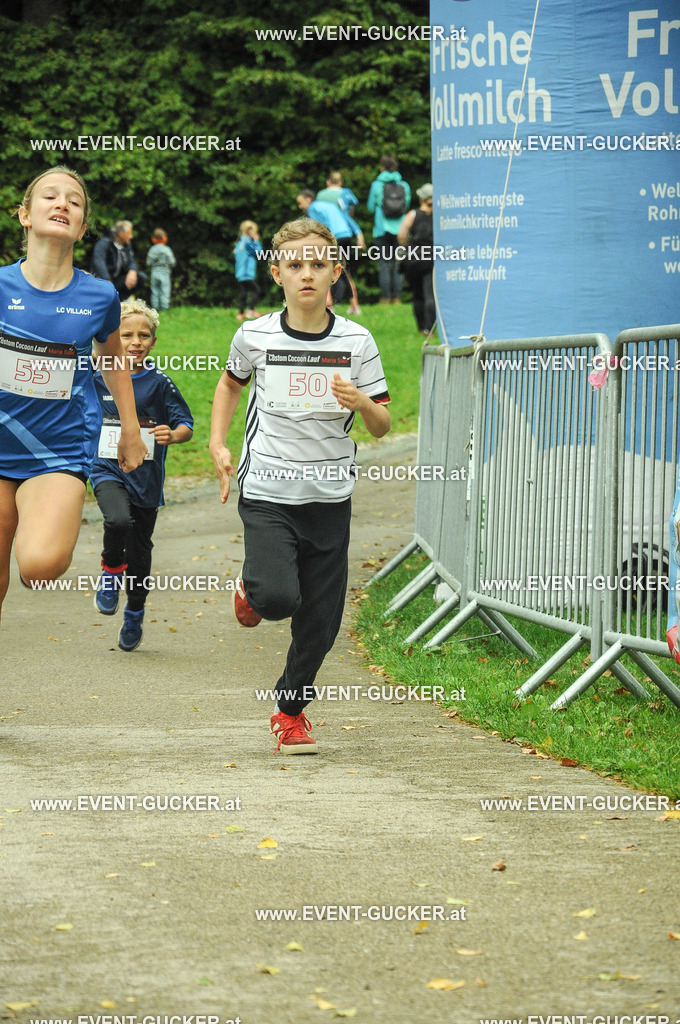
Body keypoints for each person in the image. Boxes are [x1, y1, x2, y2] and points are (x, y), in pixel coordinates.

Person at [209, 218, 391, 754]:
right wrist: (219, 445)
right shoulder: (255, 335)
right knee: (278, 597)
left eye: (317, 264)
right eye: (295, 265)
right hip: (267, 488)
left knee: (321, 622)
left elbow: (382, 423)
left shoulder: (358, 340)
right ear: (277, 273)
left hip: (330, 497)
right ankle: (253, 588)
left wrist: (361, 403)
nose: (306, 273)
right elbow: (227, 385)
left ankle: (290, 711)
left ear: (336, 270)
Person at [0, 166, 147, 621]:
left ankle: (42, 519)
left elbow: (112, 358)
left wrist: (130, 428)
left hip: (56, 453)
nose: (62, 203)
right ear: (24, 214)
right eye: (49, 196)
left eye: (74, 201)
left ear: (82, 229)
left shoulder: (99, 296)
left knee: (41, 566)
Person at [90, 298, 193, 651]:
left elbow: (186, 424)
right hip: (107, 468)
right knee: (117, 521)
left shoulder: (160, 383)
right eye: (127, 335)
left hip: (146, 478)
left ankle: (134, 612)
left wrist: (173, 434)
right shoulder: (96, 375)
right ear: (113, 338)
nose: (135, 342)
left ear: (153, 342)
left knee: (140, 554)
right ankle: (110, 570)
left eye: (143, 336)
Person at [296, 189, 362, 315]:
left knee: (325, 270)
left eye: (301, 202)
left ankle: (328, 305)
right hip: (346, 236)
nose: (300, 206)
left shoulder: (312, 208)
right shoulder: (330, 205)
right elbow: (347, 218)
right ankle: (354, 305)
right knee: (344, 271)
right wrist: (358, 233)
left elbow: (320, 227)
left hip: (334, 238)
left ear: (308, 199)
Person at [367, 155, 411, 304]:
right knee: (398, 264)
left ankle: (385, 298)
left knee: (384, 264)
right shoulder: (404, 185)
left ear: (382, 167)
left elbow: (370, 207)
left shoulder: (376, 185)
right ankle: (397, 298)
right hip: (400, 230)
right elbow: (407, 204)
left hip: (381, 230)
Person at [397, 183, 435, 336]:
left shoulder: (413, 214)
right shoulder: (440, 215)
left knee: (417, 294)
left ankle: (421, 329)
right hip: (433, 258)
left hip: (414, 259)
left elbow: (401, 235)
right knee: (430, 294)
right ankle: (430, 329)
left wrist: (407, 247)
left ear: (421, 198)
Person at [91, 219, 147, 301]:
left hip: (117, 280)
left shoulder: (126, 246)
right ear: (122, 234)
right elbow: (99, 262)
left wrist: (132, 271)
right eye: (129, 234)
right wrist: (107, 280)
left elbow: (131, 261)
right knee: (106, 287)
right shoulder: (104, 243)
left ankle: (121, 300)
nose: (131, 236)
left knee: (141, 277)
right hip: (102, 280)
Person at [234, 220, 263, 321]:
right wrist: (256, 241)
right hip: (247, 273)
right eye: (254, 231)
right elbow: (259, 253)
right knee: (256, 290)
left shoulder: (240, 243)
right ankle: (250, 310)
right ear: (249, 231)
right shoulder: (248, 243)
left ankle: (241, 313)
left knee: (243, 293)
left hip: (240, 273)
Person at [146, 228, 176, 311]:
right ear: (165, 238)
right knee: (164, 291)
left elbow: (148, 262)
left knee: (155, 291)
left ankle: (155, 309)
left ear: (153, 239)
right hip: (165, 273)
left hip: (154, 273)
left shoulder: (152, 249)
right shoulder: (167, 249)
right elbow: (172, 262)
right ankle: (164, 308)